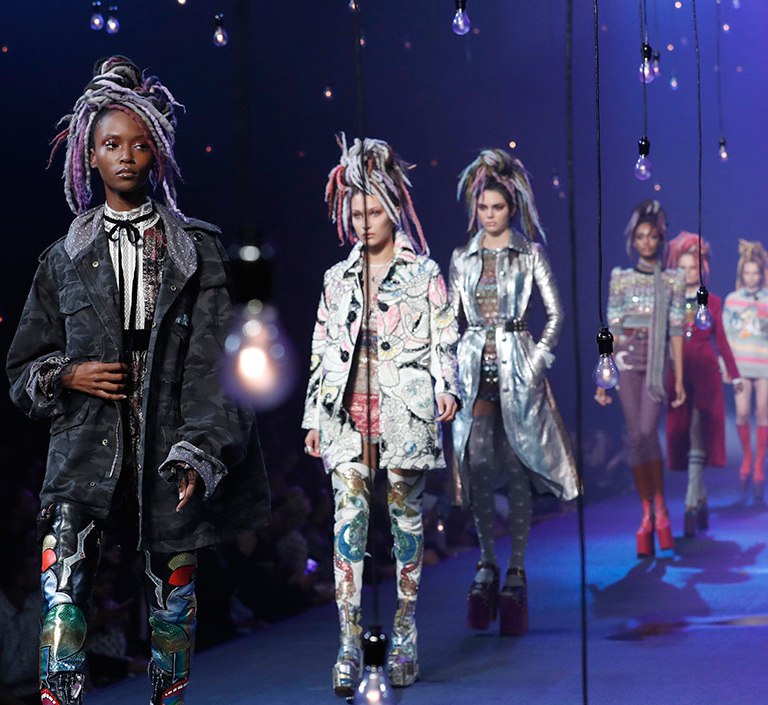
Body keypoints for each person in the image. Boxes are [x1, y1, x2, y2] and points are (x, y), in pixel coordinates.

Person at [6, 56, 269, 705]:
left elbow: (219, 366)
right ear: (89, 155)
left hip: (169, 451)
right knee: (62, 601)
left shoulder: (196, 250)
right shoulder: (61, 260)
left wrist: (200, 448)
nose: (125, 156)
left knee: (172, 612)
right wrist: (67, 373)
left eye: (139, 143)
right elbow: (21, 369)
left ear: (159, 152)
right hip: (82, 453)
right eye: (111, 144)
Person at [302, 134, 459, 696]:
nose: (364, 223)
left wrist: (447, 386)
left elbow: (445, 335)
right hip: (345, 412)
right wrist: (312, 417)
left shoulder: (424, 273)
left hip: (405, 408)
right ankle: (348, 643)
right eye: (356, 214)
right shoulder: (335, 278)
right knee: (347, 524)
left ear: (392, 209)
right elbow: (322, 345)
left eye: (373, 212)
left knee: (405, 523)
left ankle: (405, 632)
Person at [449, 149, 578, 637]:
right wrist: (447, 370)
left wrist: (537, 360)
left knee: (518, 461)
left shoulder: (530, 253)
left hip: (518, 368)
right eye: (483, 207)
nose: (489, 215)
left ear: (512, 208)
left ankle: (516, 570)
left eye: (498, 207)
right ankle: (486, 561)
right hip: (474, 370)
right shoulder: (461, 258)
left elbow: (556, 313)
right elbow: (450, 320)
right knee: (479, 458)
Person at [595, 200, 685, 557]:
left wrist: (679, 379)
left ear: (661, 239)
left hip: (657, 362)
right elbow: (613, 329)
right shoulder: (621, 278)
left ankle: (660, 504)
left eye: (652, 236)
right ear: (633, 240)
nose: (646, 242)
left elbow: (676, 330)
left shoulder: (673, 280)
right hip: (626, 359)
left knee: (648, 431)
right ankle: (648, 511)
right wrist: (603, 376)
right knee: (635, 435)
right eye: (640, 236)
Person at [664, 233, 741, 535]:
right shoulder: (669, 301)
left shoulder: (712, 302)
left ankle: (689, 504)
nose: (687, 273)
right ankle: (701, 496)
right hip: (677, 371)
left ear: (702, 269)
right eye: (682, 268)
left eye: (692, 268)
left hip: (704, 371)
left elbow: (721, 340)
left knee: (698, 431)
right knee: (682, 436)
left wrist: (734, 374)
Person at [723, 240, 768, 502]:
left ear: (761, 274)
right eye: (747, 273)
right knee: (741, 413)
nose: (751, 277)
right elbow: (726, 335)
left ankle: (759, 465)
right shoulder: (733, 300)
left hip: (764, 364)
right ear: (742, 274)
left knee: (762, 413)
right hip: (740, 364)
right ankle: (747, 459)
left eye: (755, 273)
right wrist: (726, 365)